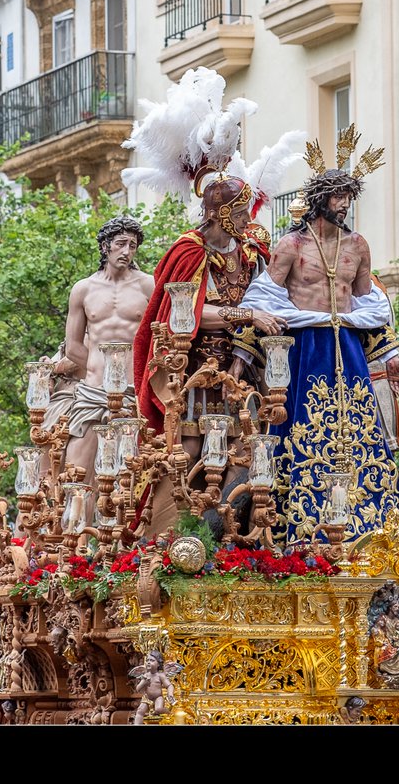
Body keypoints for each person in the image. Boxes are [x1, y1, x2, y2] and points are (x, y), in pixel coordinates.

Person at [235, 128, 399, 546]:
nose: (345, 205)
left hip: (347, 348)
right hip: (305, 347)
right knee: (301, 426)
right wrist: (240, 361)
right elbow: (261, 302)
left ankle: (372, 524)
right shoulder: (291, 246)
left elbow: (370, 307)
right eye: (337, 198)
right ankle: (297, 527)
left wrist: (392, 357)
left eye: (349, 197)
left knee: (361, 427)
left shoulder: (358, 246)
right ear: (320, 201)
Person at [133, 170, 288, 533]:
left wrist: (249, 339)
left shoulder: (251, 252)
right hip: (194, 370)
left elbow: (268, 297)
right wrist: (247, 314)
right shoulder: (189, 250)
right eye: (240, 212)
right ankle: (172, 534)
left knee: (245, 450)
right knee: (187, 451)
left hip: (243, 369)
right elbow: (185, 312)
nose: (248, 219)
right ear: (220, 214)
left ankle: (225, 534)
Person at [62, 217, 154, 498]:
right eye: (121, 244)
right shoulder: (84, 289)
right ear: (105, 246)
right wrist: (98, 366)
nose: (127, 251)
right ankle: (75, 539)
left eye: (133, 245)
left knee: (132, 477)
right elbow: (73, 346)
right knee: (77, 474)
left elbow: (159, 338)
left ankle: (125, 540)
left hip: (133, 394)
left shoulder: (147, 285)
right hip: (91, 392)